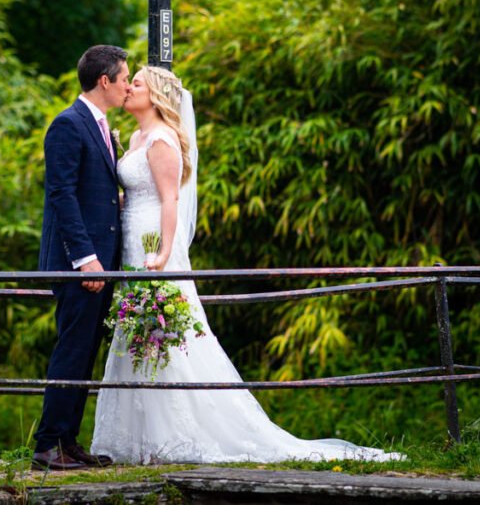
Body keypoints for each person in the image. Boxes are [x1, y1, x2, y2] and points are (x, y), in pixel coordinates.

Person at [91, 66, 402, 464]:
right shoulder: (136, 136)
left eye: (136, 83)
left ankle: (175, 436)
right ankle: (136, 440)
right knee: (140, 329)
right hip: (134, 239)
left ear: (155, 95)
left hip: (155, 243)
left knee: (166, 332)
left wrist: (165, 253)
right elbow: (137, 192)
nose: (128, 88)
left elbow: (170, 200)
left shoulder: (163, 139)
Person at [32, 45, 131, 471]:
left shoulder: (102, 127)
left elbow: (93, 191)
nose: (128, 85)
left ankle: (68, 442)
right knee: (72, 349)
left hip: (101, 262)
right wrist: (86, 259)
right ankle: (46, 445)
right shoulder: (67, 124)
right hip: (81, 264)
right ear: (105, 80)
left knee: (85, 350)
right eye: (124, 78)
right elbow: (61, 194)